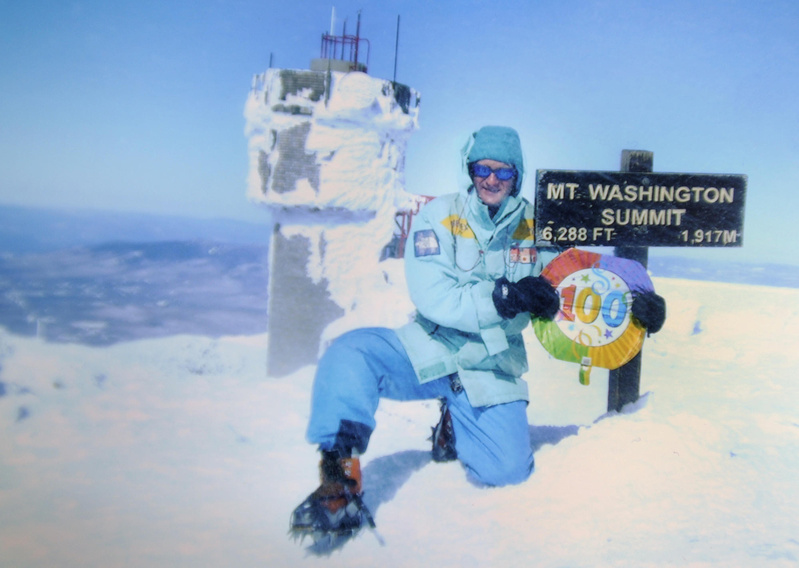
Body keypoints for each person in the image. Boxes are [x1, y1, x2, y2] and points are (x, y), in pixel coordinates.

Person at [289, 126, 666, 542]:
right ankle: (338, 476)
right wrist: (501, 299)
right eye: (483, 169)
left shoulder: (536, 225)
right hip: (429, 347)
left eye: (503, 173)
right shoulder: (440, 215)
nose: (491, 180)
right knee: (350, 353)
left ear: (516, 177)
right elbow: (433, 295)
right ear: (470, 170)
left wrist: (637, 302)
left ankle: (456, 420)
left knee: (506, 472)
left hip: (491, 364)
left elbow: (583, 279)